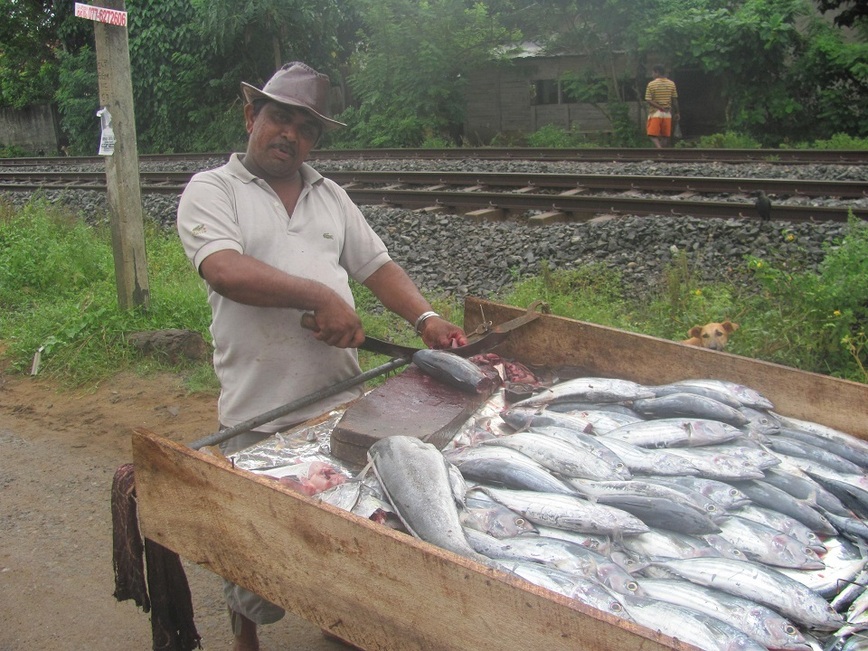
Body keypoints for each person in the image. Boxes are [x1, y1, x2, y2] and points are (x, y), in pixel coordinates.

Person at [177, 61, 467, 651]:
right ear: (251, 115)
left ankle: (344, 620)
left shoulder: (329, 195)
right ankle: (246, 638)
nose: (290, 135)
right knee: (255, 547)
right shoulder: (214, 189)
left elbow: (376, 266)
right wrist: (319, 296)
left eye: (305, 128)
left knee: (351, 530)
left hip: (340, 405)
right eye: (279, 118)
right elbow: (225, 270)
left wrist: (425, 318)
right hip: (257, 412)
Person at [645, 64, 679, 148]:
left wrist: (660, 107)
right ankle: (662, 153)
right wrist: (677, 112)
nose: (652, 75)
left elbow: (648, 100)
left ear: (657, 72)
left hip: (656, 113)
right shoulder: (671, 84)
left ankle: (659, 149)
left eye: (653, 73)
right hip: (667, 113)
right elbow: (674, 100)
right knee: (665, 136)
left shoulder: (651, 84)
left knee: (652, 134)